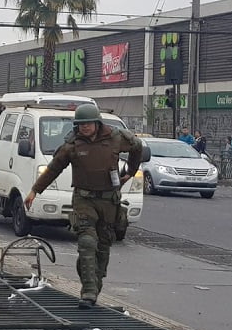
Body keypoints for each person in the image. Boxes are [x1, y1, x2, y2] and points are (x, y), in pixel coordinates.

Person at [23, 104, 143, 309]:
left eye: (88, 123)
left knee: (103, 247)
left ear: (97, 123)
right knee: (87, 242)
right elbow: (54, 168)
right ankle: (88, 291)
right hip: (83, 199)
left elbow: (137, 147)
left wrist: (130, 171)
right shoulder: (73, 145)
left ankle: (95, 284)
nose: (84, 127)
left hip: (109, 201)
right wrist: (35, 190)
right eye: (80, 124)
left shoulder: (116, 138)